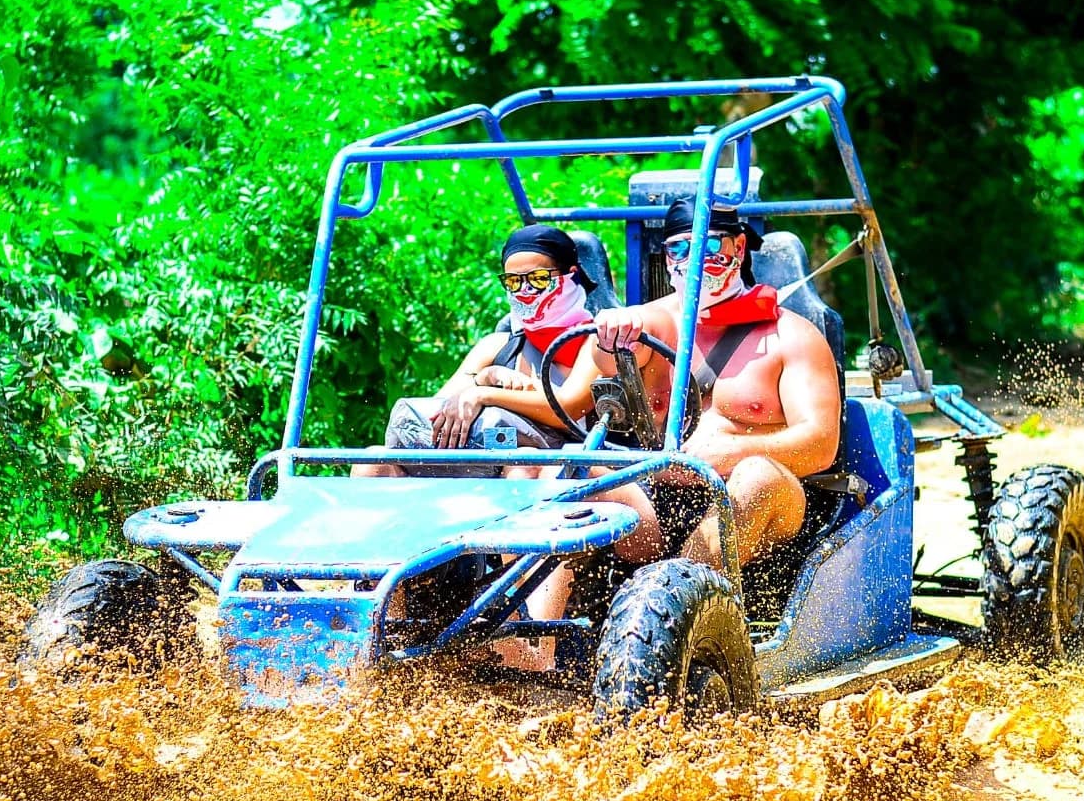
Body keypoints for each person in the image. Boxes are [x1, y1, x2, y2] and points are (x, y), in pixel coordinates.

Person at [590, 196, 842, 568]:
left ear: (738, 248)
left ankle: (675, 590)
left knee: (757, 475)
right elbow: (606, 361)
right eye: (679, 248)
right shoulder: (651, 323)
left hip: (757, 502)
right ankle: (523, 609)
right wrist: (611, 334)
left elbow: (821, 445)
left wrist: (732, 452)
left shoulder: (791, 335)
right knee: (566, 472)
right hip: (654, 500)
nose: (692, 258)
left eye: (708, 245)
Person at [353, 224, 601, 478]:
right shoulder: (497, 347)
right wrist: (484, 378)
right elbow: (440, 410)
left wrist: (485, 395)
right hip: (487, 470)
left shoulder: (596, 343)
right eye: (514, 282)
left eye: (538, 279)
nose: (524, 291)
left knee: (522, 466)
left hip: (564, 468)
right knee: (372, 461)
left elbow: (567, 409)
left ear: (570, 276)